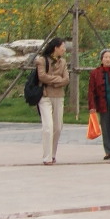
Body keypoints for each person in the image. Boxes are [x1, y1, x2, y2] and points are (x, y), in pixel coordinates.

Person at [36, 36, 69, 166]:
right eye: (62, 47)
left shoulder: (63, 62)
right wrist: (57, 80)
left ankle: (53, 153)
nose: (64, 50)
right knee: (48, 127)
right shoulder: (42, 60)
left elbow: (66, 79)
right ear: (56, 48)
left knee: (58, 127)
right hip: (45, 96)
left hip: (59, 96)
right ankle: (47, 157)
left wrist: (53, 81)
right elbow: (42, 77)